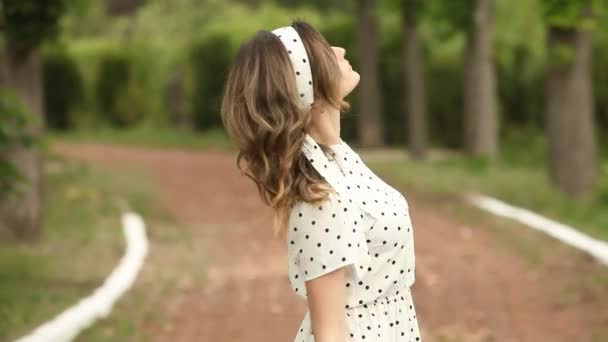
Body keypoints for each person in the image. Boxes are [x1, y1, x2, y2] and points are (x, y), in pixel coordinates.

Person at [221, 19, 422, 342]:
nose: (340, 51)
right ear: (309, 88)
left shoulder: (338, 162)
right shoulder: (322, 198)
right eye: (326, 52)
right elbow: (328, 331)